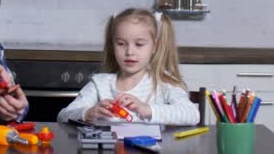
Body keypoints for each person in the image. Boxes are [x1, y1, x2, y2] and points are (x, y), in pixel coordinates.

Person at [57, 8, 199, 125]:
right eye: (121, 43)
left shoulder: (164, 83)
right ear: (112, 45)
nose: (129, 52)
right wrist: (88, 113)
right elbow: (63, 116)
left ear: (155, 46)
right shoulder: (100, 84)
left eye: (139, 44)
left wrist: (147, 109)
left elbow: (192, 115)